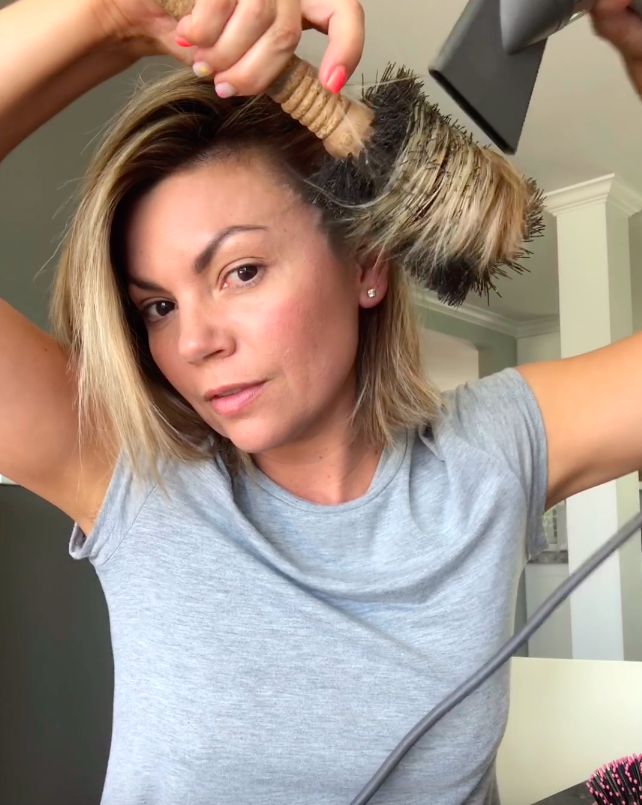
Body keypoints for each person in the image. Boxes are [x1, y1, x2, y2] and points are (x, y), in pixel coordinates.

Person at [0, 0, 640, 803]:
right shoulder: (131, 472)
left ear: (366, 265)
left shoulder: (492, 452)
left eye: (240, 272)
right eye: (157, 306)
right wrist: (111, 17)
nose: (194, 341)